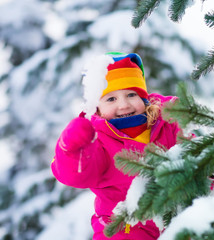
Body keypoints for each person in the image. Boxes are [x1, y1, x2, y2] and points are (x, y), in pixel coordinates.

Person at [51, 52, 182, 239]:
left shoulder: (167, 121)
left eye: (131, 94)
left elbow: (198, 152)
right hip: (125, 228)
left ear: (144, 98)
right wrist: (71, 148)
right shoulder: (99, 141)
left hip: (177, 218)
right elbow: (75, 174)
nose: (124, 105)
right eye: (111, 99)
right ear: (97, 107)